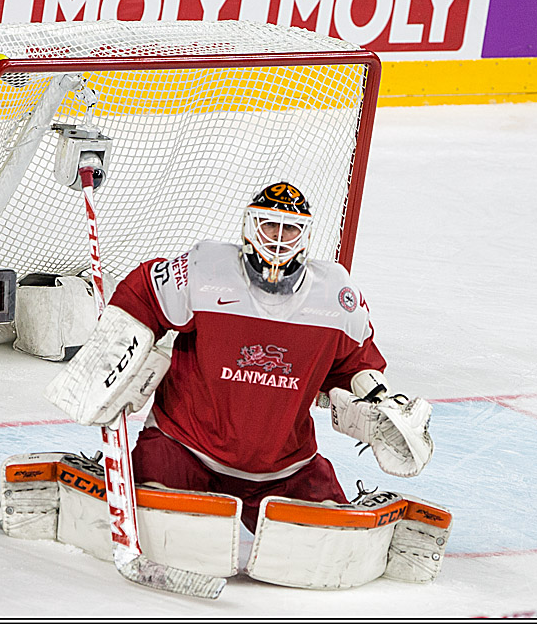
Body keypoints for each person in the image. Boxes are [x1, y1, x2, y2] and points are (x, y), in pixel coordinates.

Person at [46, 181, 434, 533]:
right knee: (159, 517)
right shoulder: (205, 270)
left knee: (335, 538)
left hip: (286, 468)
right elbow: (145, 293)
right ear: (249, 227)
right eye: (269, 225)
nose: (278, 238)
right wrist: (116, 350)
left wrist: (378, 402)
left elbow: (355, 363)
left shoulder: (335, 296)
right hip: (184, 450)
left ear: (306, 236)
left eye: (290, 229)